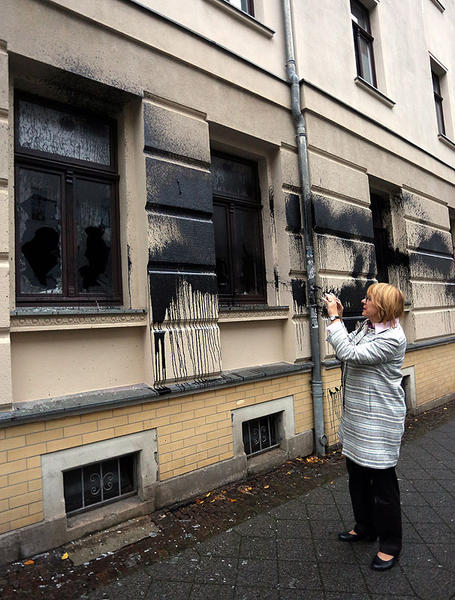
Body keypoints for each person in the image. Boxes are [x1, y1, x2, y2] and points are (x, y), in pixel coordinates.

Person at [323, 283, 406, 571]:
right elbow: (346, 347)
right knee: (356, 477)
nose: (363, 301)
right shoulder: (367, 327)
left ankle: (390, 544)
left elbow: (350, 354)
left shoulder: (393, 338)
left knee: (383, 486)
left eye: (369, 299)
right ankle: (365, 527)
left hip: (379, 420)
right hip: (358, 416)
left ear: (381, 307)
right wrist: (342, 320)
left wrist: (335, 319)